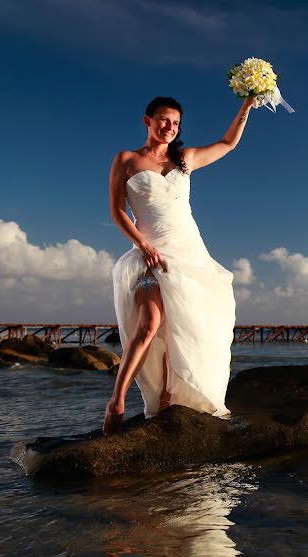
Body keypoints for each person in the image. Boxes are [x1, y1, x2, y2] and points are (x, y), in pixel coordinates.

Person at [103, 95, 255, 435]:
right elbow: (117, 212)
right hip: (150, 255)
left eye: (175, 123)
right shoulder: (126, 159)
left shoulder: (184, 160)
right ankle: (116, 401)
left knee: (182, 330)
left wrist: (246, 106)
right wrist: (142, 245)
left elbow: (228, 143)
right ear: (147, 121)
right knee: (149, 324)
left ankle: (170, 401)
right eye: (163, 120)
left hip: (190, 255)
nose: (170, 127)